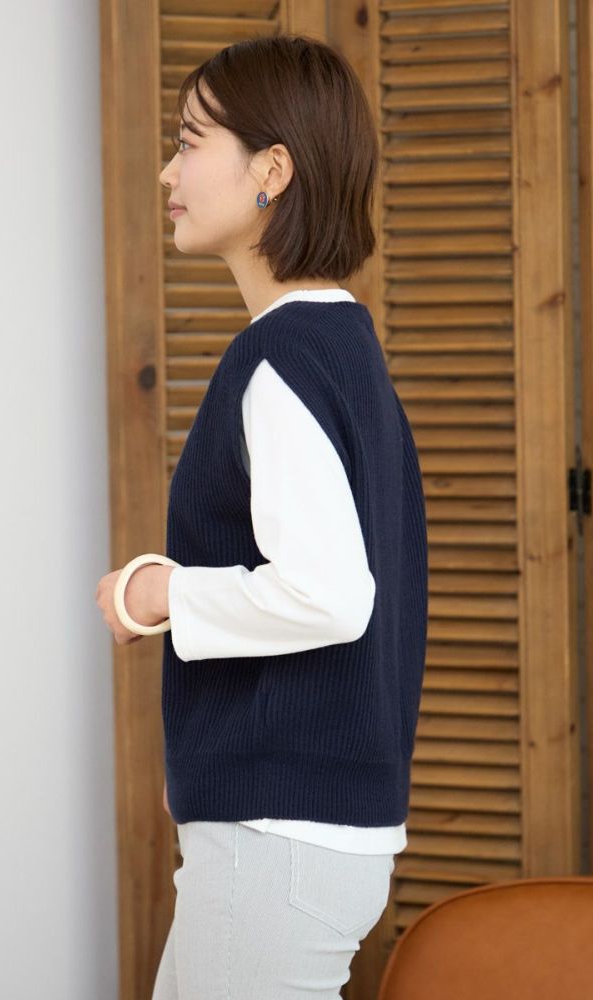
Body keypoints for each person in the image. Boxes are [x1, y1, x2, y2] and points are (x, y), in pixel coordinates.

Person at [97, 32, 428, 1000]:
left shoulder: (280, 358)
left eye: (189, 142)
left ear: (271, 170)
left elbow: (329, 597)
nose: (168, 171)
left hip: (277, 840)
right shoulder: (340, 345)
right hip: (301, 837)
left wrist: (160, 592)